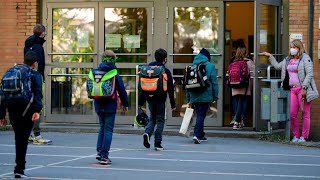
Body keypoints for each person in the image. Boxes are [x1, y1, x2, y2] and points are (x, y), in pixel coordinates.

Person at [262, 39, 319, 143]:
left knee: (305, 113)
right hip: (293, 89)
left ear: (299, 48)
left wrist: (305, 88)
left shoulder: (305, 58)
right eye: (291, 47)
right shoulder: (288, 59)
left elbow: (310, 74)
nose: (292, 49)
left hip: (303, 89)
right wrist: (270, 56)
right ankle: (296, 136)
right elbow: (278, 66)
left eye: (294, 47)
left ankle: (304, 137)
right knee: (292, 113)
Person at [0, 51, 43, 178]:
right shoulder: (35, 75)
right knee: (23, 140)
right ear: (35, 63)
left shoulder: (11, 72)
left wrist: (2, 115)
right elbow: (38, 94)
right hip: (27, 109)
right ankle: (19, 169)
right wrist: (37, 110)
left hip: (12, 109)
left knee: (19, 138)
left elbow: (2, 94)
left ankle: (19, 168)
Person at [94, 50, 129, 165]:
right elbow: (122, 90)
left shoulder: (97, 72)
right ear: (113, 60)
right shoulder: (114, 73)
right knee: (108, 129)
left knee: (102, 127)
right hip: (110, 105)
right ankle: (104, 156)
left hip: (98, 104)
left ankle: (99, 152)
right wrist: (126, 104)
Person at [139, 48, 176, 151]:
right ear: (164, 59)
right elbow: (170, 89)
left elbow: (141, 86)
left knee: (152, 118)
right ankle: (157, 143)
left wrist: (141, 102)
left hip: (149, 98)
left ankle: (147, 133)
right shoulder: (165, 71)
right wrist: (173, 104)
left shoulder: (146, 70)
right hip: (160, 99)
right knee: (160, 120)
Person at [24, 24, 51, 145]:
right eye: (44, 32)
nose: (45, 34)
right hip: (36, 77)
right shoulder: (38, 47)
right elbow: (38, 64)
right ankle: (37, 135)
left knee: (29, 105)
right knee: (37, 105)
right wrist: (41, 78)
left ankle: (28, 134)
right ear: (42, 33)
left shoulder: (28, 45)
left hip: (27, 75)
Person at [186, 48, 219, 144]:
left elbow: (187, 85)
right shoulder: (210, 66)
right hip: (205, 95)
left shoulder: (192, 66)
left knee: (200, 114)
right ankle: (196, 135)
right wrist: (215, 96)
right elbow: (214, 83)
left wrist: (188, 99)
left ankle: (201, 134)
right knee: (201, 115)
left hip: (193, 95)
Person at [230, 47, 254, 130]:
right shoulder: (249, 62)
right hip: (244, 86)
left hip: (234, 85)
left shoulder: (233, 62)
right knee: (242, 102)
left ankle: (237, 120)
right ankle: (238, 121)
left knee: (236, 102)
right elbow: (253, 76)